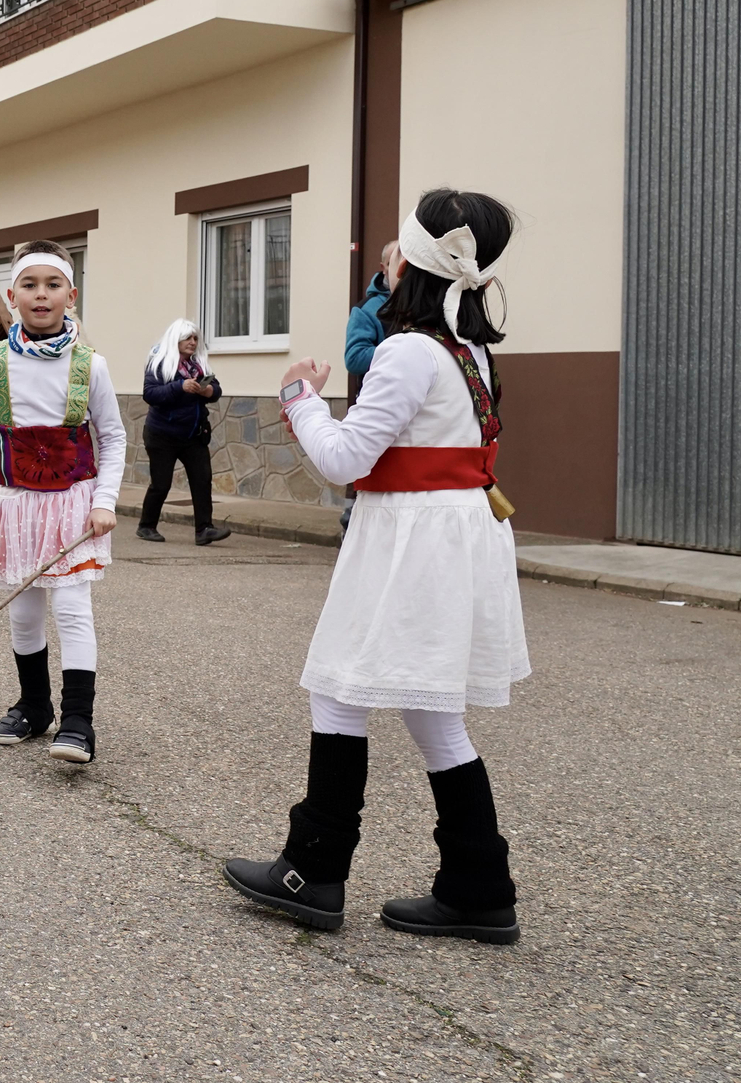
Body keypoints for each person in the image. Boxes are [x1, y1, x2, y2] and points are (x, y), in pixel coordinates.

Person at [225, 188, 528, 945]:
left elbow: (345, 460)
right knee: (433, 712)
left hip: (410, 538)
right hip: (453, 534)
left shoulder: (407, 351)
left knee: (338, 688)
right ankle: (478, 885)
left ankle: (313, 869)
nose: (386, 259)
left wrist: (299, 397)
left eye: (396, 249)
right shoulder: (471, 350)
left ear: (413, 262)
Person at [0, 240, 123, 764]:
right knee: (23, 612)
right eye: (29, 285)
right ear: (11, 295)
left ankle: (78, 721)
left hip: (72, 504)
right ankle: (34, 706)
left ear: (71, 294)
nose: (40, 295)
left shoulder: (91, 364)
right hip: (17, 502)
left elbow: (112, 437)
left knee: (71, 609)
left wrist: (105, 500)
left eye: (52, 285)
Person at [135, 320, 229, 546]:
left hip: (193, 434)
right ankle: (146, 526)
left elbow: (216, 390)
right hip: (162, 435)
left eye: (195, 338)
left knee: (202, 480)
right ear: (175, 339)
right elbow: (150, 394)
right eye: (188, 338)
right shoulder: (159, 363)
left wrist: (208, 390)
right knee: (161, 484)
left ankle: (204, 529)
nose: (193, 342)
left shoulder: (199, 366)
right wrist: (180, 387)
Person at [340, 239, 401, 532]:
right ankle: (351, 522)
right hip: (378, 403)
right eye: (396, 262)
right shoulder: (367, 310)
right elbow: (353, 359)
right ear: (384, 268)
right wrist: (399, 349)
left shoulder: (421, 304)